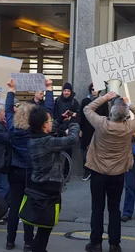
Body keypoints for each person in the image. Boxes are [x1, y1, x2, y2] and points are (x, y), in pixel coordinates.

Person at [83, 91, 135, 252]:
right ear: (126, 115)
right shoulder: (129, 126)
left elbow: (87, 109)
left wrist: (104, 97)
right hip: (117, 173)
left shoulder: (101, 123)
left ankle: (95, 243)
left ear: (111, 112)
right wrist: (128, 103)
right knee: (114, 208)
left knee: (97, 207)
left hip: (98, 171)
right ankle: (114, 244)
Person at [26, 105, 80, 252]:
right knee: (45, 228)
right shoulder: (47, 142)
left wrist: (61, 119)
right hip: (48, 190)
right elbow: (72, 139)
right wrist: (74, 121)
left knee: (43, 228)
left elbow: (49, 130)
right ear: (44, 125)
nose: (51, 122)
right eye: (49, 120)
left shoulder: (35, 137)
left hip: (39, 185)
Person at [5, 79, 36, 251]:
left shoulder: (12, 128)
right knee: (28, 205)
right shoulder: (34, 130)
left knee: (14, 205)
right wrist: (48, 90)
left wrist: (11, 91)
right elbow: (47, 111)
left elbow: (8, 110)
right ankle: (28, 242)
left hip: (15, 170)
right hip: (30, 171)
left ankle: (10, 240)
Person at [79, 84, 109, 182]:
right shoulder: (85, 101)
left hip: (98, 130)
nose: (94, 91)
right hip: (87, 130)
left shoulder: (103, 102)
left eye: (96, 89)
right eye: (92, 89)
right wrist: (80, 129)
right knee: (85, 151)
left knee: (99, 150)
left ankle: (96, 171)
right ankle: (87, 171)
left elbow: (106, 115)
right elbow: (81, 116)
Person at [53, 83, 80, 180]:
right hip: (58, 130)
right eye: (64, 90)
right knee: (56, 153)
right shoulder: (57, 100)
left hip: (68, 131)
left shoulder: (74, 102)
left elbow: (77, 116)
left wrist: (70, 128)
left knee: (68, 153)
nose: (66, 92)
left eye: (68, 91)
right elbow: (54, 114)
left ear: (71, 91)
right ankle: (57, 174)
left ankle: (66, 174)